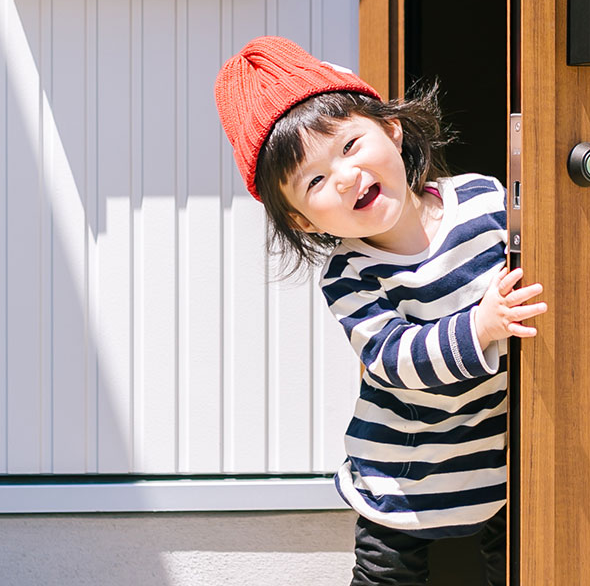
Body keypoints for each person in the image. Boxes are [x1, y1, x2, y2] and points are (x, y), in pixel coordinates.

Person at [214, 36, 546, 585]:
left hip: (499, 452)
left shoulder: (485, 201)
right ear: (303, 221)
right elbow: (395, 358)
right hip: (402, 467)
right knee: (386, 576)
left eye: (348, 147)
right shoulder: (351, 276)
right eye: (315, 181)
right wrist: (482, 326)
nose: (344, 177)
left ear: (391, 129)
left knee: (516, 565)